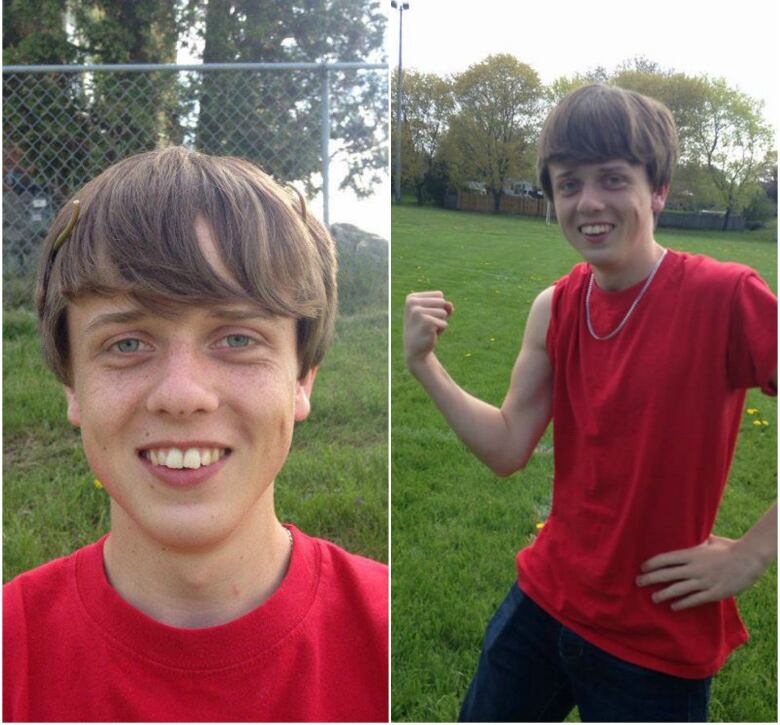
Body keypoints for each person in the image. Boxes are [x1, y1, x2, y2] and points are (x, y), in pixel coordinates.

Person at [404, 84, 776, 722]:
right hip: (546, 599)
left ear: (657, 189)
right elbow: (506, 445)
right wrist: (424, 364)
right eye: (568, 183)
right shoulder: (557, 306)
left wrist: (753, 551)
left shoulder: (725, 298)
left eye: (613, 178)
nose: (589, 203)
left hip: (655, 637)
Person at [3, 147, 388, 722]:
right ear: (72, 385)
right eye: (127, 343)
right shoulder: (13, 652)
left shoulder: (384, 634)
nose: (183, 395)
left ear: (302, 377)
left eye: (237, 338)